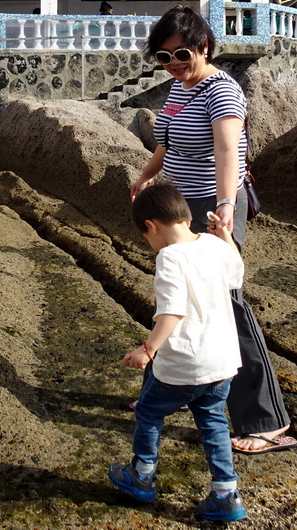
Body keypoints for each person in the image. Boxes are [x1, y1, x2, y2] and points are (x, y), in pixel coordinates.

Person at [130, 5, 296, 455]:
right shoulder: (178, 91)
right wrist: (147, 176)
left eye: (181, 54)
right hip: (179, 204)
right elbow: (166, 140)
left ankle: (266, 420)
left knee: (226, 304)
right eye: (163, 58)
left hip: (213, 206)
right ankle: (163, 390)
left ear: (204, 47)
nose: (174, 65)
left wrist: (224, 207)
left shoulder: (223, 92)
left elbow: (228, 152)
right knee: (174, 293)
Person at [109, 183, 247, 523]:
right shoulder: (213, 244)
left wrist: (148, 349)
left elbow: (172, 310)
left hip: (185, 363)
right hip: (223, 362)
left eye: (146, 237)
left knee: (149, 413)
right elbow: (237, 275)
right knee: (213, 422)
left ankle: (141, 475)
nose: (150, 244)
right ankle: (225, 494)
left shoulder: (169, 256)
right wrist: (225, 236)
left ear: (151, 226)